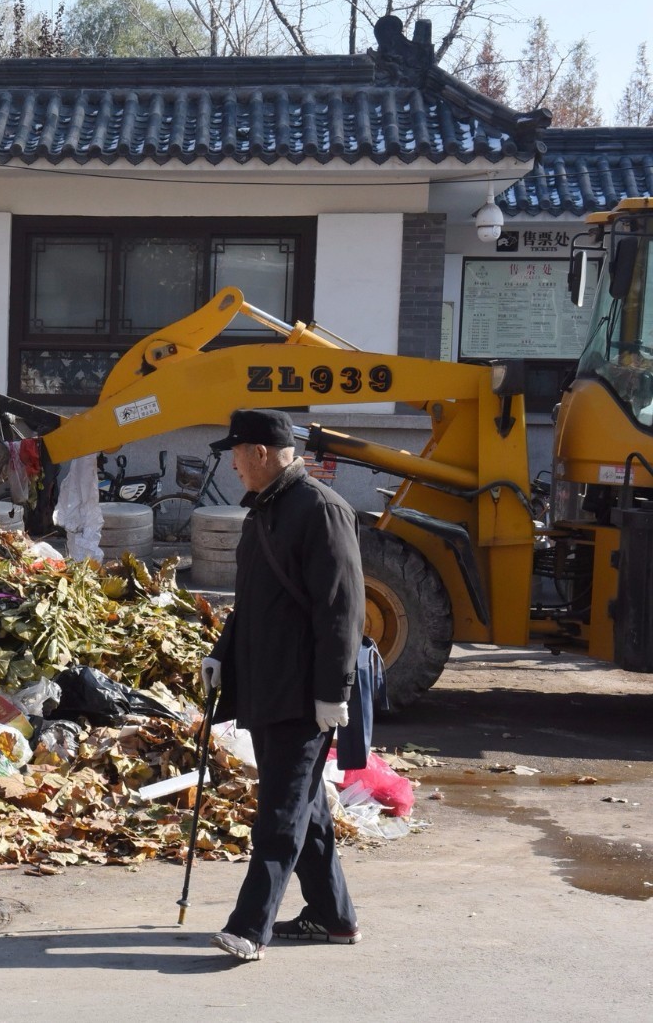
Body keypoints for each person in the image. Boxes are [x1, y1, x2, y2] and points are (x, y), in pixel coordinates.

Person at [198, 408, 364, 963]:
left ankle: (249, 928)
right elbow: (252, 603)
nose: (234, 464)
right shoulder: (265, 512)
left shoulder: (321, 510)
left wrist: (333, 694)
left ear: (261, 453)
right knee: (304, 805)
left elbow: (341, 611)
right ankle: (332, 917)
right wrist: (222, 654)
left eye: (236, 453)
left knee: (280, 813)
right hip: (266, 686)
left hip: (302, 694)